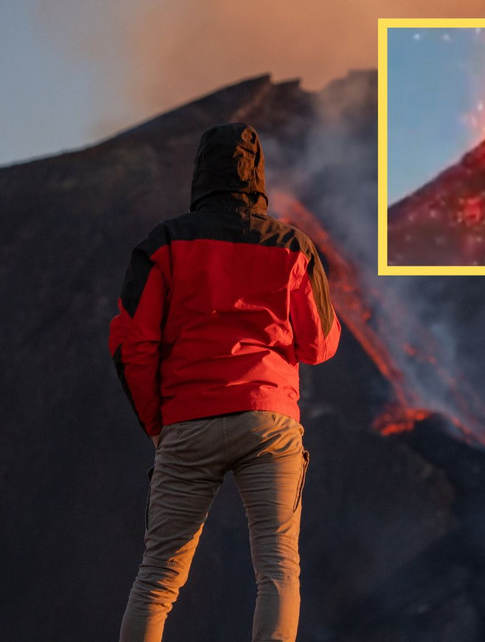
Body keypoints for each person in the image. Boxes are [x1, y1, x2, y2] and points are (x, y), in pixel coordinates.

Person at [108, 122, 341, 641]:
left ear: (201, 176)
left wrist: (158, 424)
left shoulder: (164, 244)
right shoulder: (292, 247)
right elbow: (320, 344)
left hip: (188, 422)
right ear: (257, 177)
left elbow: (132, 343)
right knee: (278, 568)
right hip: (268, 419)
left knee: (158, 579)